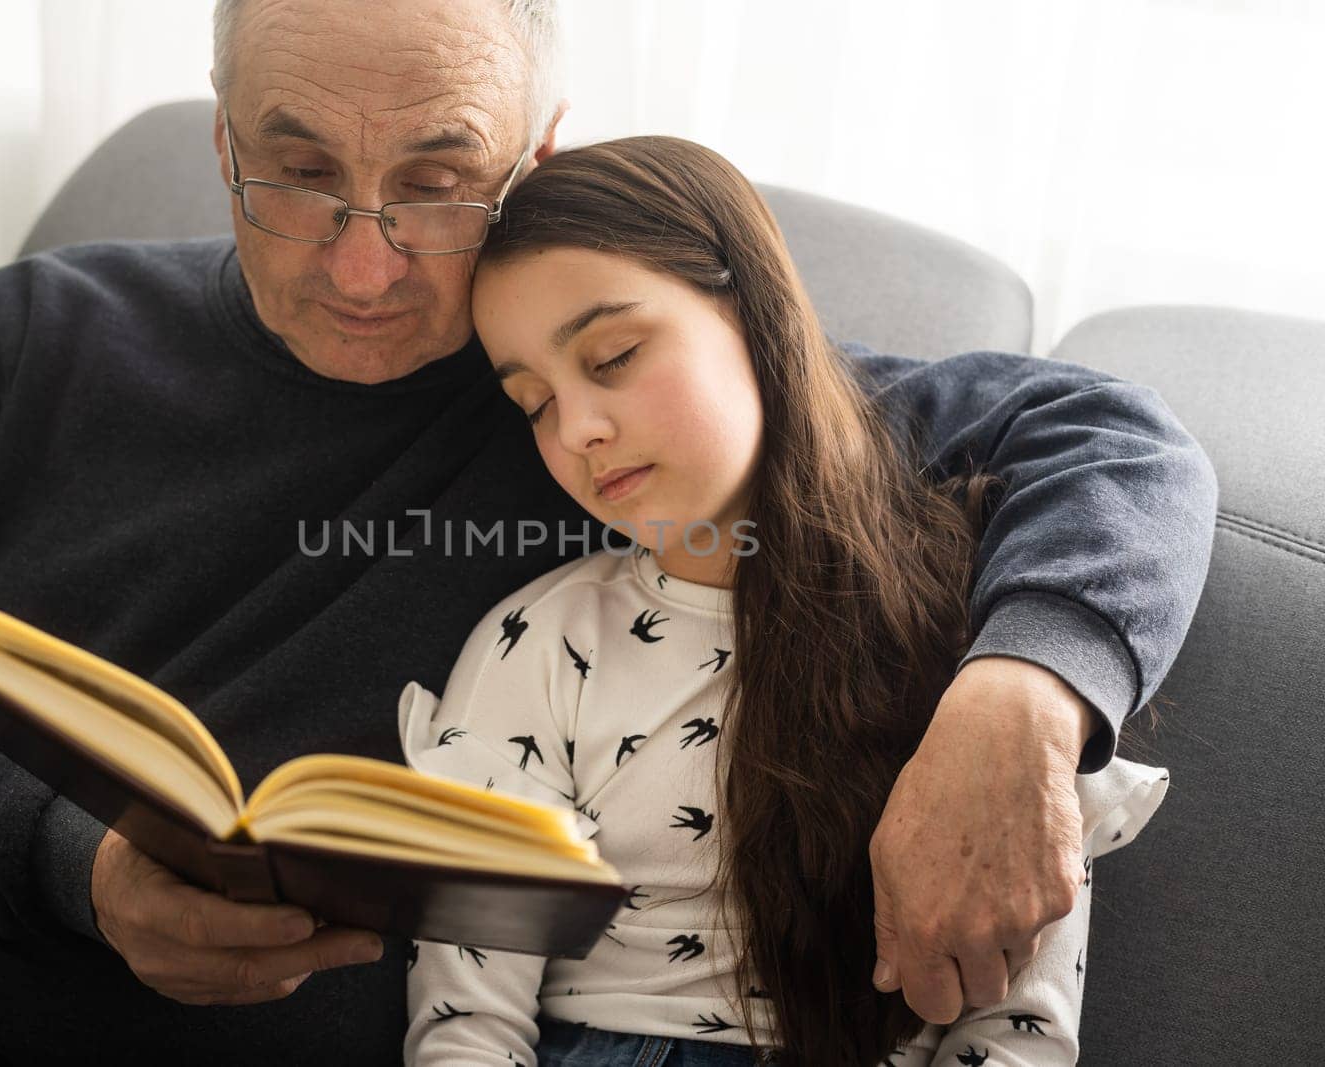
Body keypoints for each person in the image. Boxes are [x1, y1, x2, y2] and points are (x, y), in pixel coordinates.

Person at [0, 0, 1215, 1063]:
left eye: (439, 184)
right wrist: (69, 859)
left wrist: (1017, 702)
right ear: (223, 125)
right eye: (296, 168)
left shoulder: (608, 407)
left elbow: (1116, 442)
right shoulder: (35, 328)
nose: (363, 262)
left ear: (535, 152)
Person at [399, 135, 1172, 1067]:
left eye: (612, 357)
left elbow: (1019, 1033)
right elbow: (465, 1024)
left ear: (754, 314)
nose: (579, 429)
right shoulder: (540, 643)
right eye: (533, 402)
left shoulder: (976, 640)